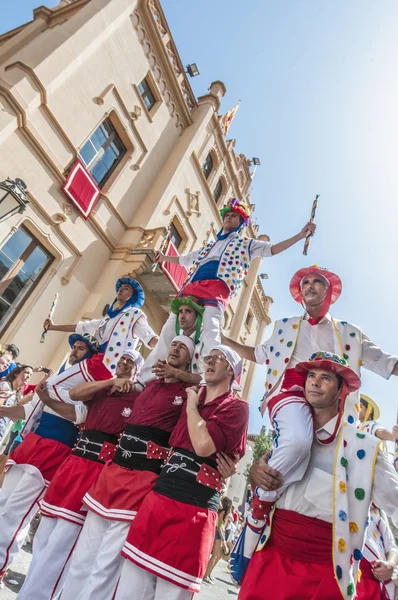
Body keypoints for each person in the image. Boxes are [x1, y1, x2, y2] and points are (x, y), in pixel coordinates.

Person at [222, 265, 398, 524]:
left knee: (371, 463)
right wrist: (225, 341)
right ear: (300, 293)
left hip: (336, 418)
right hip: (290, 403)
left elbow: (387, 362)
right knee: (296, 443)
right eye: (305, 283)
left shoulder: (351, 334)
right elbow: (257, 354)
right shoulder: (283, 328)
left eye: (317, 281)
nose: (310, 286)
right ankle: (257, 514)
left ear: (329, 291)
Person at [237, 352, 398, 600]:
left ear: (342, 391)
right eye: (311, 375)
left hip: (326, 579)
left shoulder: (366, 450)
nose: (314, 381)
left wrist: (394, 566)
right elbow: (264, 492)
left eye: (326, 378)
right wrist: (255, 471)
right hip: (269, 561)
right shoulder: (287, 439)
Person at [60, 335, 195, 600]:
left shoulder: (189, 392)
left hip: (143, 478)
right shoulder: (146, 385)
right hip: (113, 472)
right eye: (174, 344)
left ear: (190, 359)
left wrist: (180, 375)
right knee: (83, 556)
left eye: (183, 348)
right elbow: (73, 393)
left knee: (107, 564)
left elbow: (216, 384)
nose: (175, 348)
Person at [115, 345, 249, 600]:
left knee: (171, 594)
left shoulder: (235, 407)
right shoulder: (193, 396)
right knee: (128, 590)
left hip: (193, 512)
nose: (209, 362)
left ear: (231, 371)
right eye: (208, 358)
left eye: (218, 359)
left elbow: (203, 445)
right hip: (158, 500)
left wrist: (190, 405)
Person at [17, 350, 143, 600]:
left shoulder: (137, 397)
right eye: (123, 359)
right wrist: (108, 382)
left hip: (96, 468)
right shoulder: (101, 389)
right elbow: (75, 401)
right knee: (44, 535)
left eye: (132, 362)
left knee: (62, 543)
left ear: (138, 370)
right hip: (74, 462)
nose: (125, 363)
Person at [155, 198, 315, 370]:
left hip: (217, 287)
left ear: (241, 223)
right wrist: (163, 258)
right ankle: (149, 372)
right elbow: (185, 259)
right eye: (228, 215)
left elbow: (273, 249)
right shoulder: (209, 246)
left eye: (234, 216)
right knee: (170, 326)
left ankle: (205, 376)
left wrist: (300, 236)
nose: (229, 218)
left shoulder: (246, 243)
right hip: (192, 285)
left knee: (211, 328)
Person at [0, 333, 99, 586]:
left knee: (16, 514)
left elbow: (79, 415)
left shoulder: (88, 387)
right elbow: (27, 410)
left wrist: (46, 398)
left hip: (54, 451)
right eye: (74, 347)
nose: (75, 351)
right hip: (32, 445)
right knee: (2, 504)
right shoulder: (55, 381)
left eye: (81, 348)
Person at [43, 276, 158, 378]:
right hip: (94, 361)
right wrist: (53, 327)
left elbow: (150, 337)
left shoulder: (135, 314)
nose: (121, 289)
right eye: (121, 287)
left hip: (108, 367)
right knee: (62, 375)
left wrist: (168, 350)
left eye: (126, 288)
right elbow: (83, 327)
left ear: (133, 296)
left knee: (57, 383)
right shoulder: (108, 317)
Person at [139, 296, 204, 386]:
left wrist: (174, 372)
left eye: (188, 311)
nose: (182, 316)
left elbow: (207, 379)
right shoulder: (174, 335)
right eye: (180, 312)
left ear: (198, 316)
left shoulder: (205, 340)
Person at [356, 503, 398, 600]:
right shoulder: (332, 512)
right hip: (351, 585)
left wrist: (390, 564)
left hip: (380, 588)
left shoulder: (376, 510)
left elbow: (392, 547)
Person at [0, 365, 34, 446]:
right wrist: (20, 403)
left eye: (31, 375)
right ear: (16, 374)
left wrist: (25, 402)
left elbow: (14, 419)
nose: (28, 376)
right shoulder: (5, 386)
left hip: (2, 430)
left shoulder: (19, 395)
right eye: (26, 372)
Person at [203, 496, 233, 584]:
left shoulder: (221, 512)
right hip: (218, 533)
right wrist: (223, 539)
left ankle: (208, 574)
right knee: (214, 556)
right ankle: (206, 575)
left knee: (215, 556)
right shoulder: (222, 512)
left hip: (218, 532)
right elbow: (219, 527)